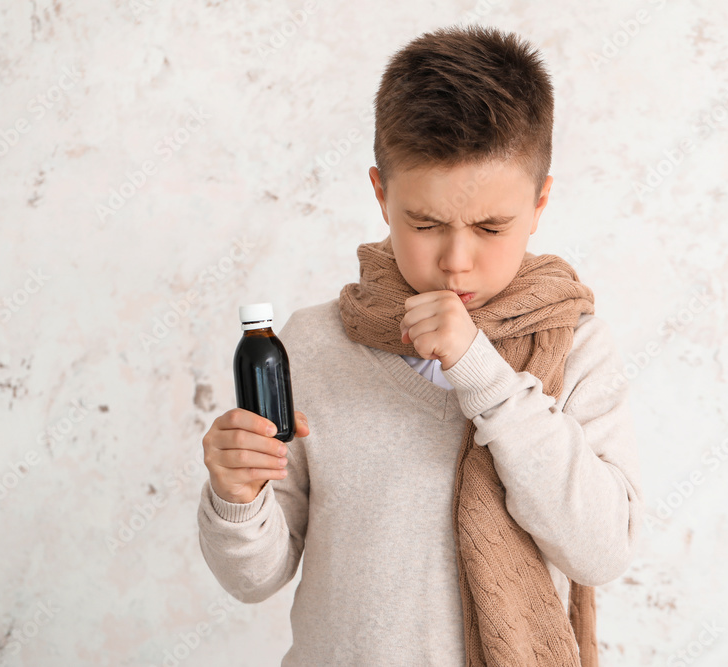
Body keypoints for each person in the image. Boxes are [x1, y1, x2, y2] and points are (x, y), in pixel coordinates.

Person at [197, 24, 644, 666]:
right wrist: (236, 500)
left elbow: (601, 549)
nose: (457, 262)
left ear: (541, 202)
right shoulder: (314, 345)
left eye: (491, 226)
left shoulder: (575, 346)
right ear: (381, 195)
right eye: (426, 223)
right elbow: (255, 577)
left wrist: (481, 374)